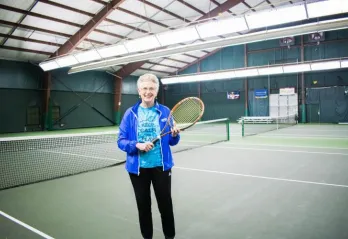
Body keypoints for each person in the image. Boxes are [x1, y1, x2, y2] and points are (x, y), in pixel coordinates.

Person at [117, 73, 180, 239]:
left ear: (156, 91)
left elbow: (173, 142)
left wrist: (174, 134)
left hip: (161, 167)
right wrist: (136, 145)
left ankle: (170, 236)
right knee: (143, 207)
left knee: (165, 205)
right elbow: (121, 141)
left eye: (151, 88)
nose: (148, 92)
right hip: (138, 170)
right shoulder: (130, 114)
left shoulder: (165, 111)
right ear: (139, 91)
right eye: (144, 88)